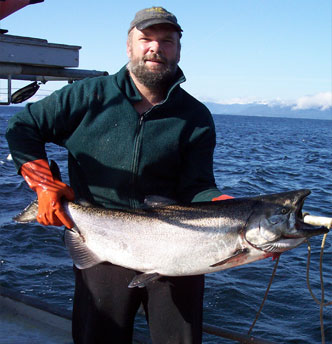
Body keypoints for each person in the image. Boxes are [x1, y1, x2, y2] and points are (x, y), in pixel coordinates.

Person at [6, 6, 231, 344]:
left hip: (179, 250)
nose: (156, 48)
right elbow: (23, 128)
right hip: (102, 240)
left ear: (178, 50)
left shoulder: (196, 116)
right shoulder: (87, 95)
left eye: (167, 41)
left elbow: (197, 187)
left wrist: (227, 209)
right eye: (146, 39)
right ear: (129, 47)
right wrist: (44, 185)